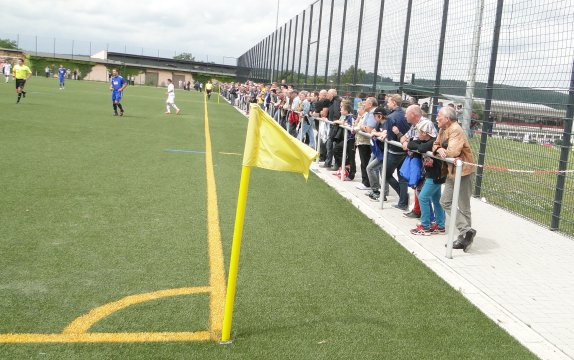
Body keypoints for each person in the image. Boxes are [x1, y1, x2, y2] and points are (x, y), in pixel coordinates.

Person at [433, 106, 477, 251]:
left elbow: (452, 152)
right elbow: (436, 144)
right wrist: (439, 149)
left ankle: (464, 238)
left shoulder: (456, 129)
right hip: (452, 171)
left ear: (447, 118)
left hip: (463, 171)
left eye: (439, 115)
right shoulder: (443, 129)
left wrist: (442, 150)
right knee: (445, 201)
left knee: (464, 206)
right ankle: (466, 231)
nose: (436, 117)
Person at [407, 120, 446, 235]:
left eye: (419, 132)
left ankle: (425, 226)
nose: (417, 134)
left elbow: (422, 148)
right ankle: (440, 225)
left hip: (435, 175)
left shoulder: (433, 142)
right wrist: (418, 145)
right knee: (436, 200)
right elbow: (411, 144)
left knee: (423, 197)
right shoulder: (423, 140)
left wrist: (419, 146)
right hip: (432, 174)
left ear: (425, 133)